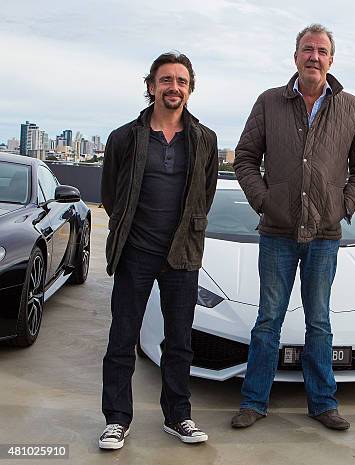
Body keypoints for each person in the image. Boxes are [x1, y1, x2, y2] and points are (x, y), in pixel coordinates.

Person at [231, 24, 355, 431]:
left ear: (331, 60)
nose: (314, 56)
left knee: (319, 322)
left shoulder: (350, 107)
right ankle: (254, 402)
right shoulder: (269, 102)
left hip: (325, 235)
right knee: (268, 320)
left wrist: (342, 206)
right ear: (295, 56)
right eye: (307, 49)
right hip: (277, 232)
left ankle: (323, 403)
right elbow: (245, 158)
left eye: (322, 51)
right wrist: (266, 200)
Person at [99, 52, 218, 449]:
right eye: (166, 80)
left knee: (180, 341)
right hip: (136, 252)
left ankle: (178, 416)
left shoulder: (205, 139)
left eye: (181, 81)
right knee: (122, 337)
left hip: (182, 254)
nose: (174, 87)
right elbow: (112, 195)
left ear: (190, 89)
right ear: (151, 86)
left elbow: (205, 194)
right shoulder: (124, 137)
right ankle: (117, 419)